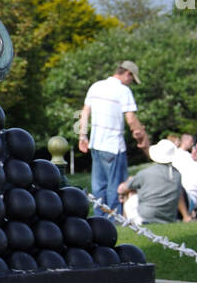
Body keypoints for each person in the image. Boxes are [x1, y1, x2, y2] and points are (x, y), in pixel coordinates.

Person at [78, 61, 149, 215]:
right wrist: (141, 136)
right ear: (127, 74)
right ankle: (113, 222)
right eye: (132, 79)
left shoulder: (96, 86)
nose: (131, 83)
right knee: (116, 187)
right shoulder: (123, 91)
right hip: (113, 146)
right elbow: (131, 119)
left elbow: (84, 113)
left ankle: (99, 221)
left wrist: (82, 136)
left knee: (98, 188)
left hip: (95, 145)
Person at [118, 139, 186, 225]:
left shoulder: (146, 173)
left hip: (145, 216)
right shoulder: (177, 175)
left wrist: (126, 187)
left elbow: (121, 189)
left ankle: (126, 224)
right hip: (168, 218)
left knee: (130, 191)